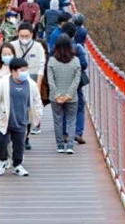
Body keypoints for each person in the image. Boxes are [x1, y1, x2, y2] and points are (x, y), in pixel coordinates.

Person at [0, 57, 42, 176]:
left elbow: (37, 100)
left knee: (19, 144)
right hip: (4, 119)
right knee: (1, 142)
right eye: (22, 70)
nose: (24, 73)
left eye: (26, 70)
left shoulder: (31, 84)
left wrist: (38, 114)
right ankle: (2, 160)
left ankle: (17, 165)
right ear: (13, 71)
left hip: (21, 119)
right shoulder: (3, 83)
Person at [11, 23, 46, 147]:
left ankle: (26, 137)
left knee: (30, 110)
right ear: (18, 34)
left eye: (27, 36)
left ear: (32, 34)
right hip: (16, 79)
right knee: (17, 109)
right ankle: (18, 137)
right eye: (21, 36)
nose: (24, 38)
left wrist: (38, 84)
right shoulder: (13, 46)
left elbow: (41, 65)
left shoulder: (38, 47)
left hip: (32, 79)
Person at [47, 35, 81, 153]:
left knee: (58, 120)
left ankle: (60, 145)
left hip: (55, 97)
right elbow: (77, 80)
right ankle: (70, 145)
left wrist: (57, 95)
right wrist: (69, 95)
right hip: (72, 97)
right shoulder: (76, 61)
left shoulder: (51, 61)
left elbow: (50, 80)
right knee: (72, 120)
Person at [73, 16, 89, 144]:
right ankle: (78, 132)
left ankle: (65, 133)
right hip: (76, 78)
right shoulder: (83, 33)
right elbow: (84, 64)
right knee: (79, 106)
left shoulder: (60, 46)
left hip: (62, 80)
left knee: (64, 106)